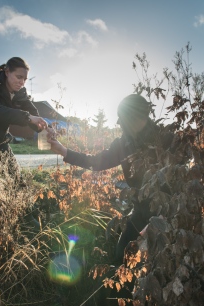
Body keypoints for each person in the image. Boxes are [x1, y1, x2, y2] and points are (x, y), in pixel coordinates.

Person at [48, 94, 173, 263]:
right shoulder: (122, 144)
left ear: (138, 117)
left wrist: (162, 218)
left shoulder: (166, 138)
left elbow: (179, 179)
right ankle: (121, 288)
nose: (118, 123)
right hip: (141, 209)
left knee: (160, 259)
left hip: (167, 212)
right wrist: (64, 151)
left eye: (122, 118)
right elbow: (95, 162)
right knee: (122, 252)